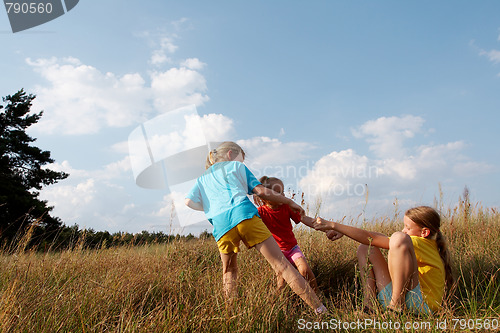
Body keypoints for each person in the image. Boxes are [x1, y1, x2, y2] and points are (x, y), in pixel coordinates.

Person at [185, 141, 328, 314]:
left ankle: (232, 315)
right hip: (244, 214)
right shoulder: (236, 167)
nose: (242, 163)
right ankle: (320, 310)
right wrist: (289, 201)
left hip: (221, 225)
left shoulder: (202, 179)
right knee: (282, 265)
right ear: (231, 155)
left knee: (229, 272)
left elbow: (189, 202)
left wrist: (213, 208)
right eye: (241, 159)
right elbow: (261, 191)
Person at [314, 206, 453, 315]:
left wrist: (334, 225)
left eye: (408, 228)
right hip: (411, 299)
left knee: (398, 238)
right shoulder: (421, 243)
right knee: (366, 248)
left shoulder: (421, 243)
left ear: (424, 233)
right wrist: (345, 232)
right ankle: (370, 306)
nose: (404, 230)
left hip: (422, 305)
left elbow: (373, 237)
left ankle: (396, 306)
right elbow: (374, 239)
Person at [255, 176, 342, 293]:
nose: (282, 195)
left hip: (292, 249)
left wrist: (326, 229)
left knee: (305, 270)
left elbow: (305, 219)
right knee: (281, 282)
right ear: (265, 196)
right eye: (277, 192)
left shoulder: (287, 207)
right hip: (277, 252)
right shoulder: (261, 212)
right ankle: (282, 305)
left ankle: (317, 296)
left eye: (282, 192)